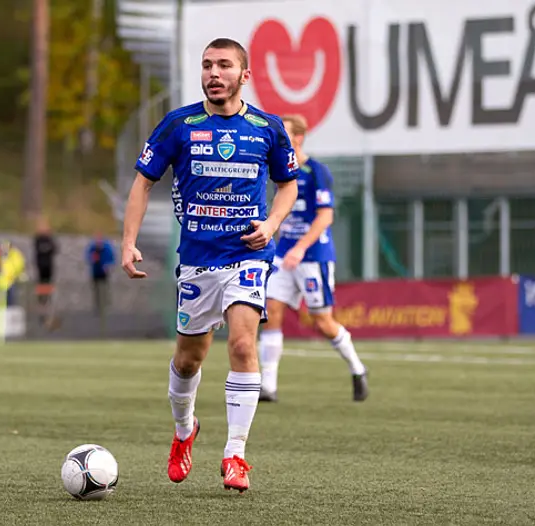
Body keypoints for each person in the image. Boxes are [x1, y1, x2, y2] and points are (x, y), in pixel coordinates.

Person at [121, 37, 299, 493]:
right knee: (188, 360)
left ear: (245, 75)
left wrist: (273, 224)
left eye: (224, 65)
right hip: (198, 260)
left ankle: (235, 454)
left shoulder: (268, 127)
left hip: (248, 255)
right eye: (206, 65)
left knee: (242, 345)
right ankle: (184, 432)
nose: (213, 73)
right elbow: (143, 183)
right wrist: (129, 242)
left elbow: (287, 186)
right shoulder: (179, 124)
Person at [258, 114, 369, 403]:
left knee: (322, 321)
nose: (277, 137)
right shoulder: (277, 170)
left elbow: (326, 216)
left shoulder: (316, 171)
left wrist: (300, 248)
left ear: (298, 138)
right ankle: (268, 386)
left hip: (313, 256)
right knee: (270, 312)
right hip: (283, 256)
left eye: (283, 133)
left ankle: (357, 369)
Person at [85, 233, 115, 316]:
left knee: (104, 289)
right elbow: (88, 257)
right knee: (96, 290)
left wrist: (107, 266)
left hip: (104, 272)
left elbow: (111, 258)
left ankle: (105, 306)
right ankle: (97, 306)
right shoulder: (92, 248)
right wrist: (92, 259)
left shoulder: (107, 248)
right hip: (95, 271)